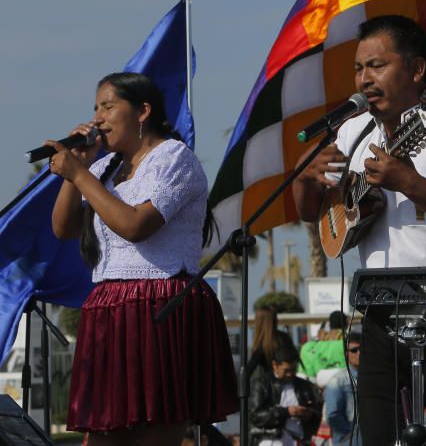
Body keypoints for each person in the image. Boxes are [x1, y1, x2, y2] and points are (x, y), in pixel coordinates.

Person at [292, 15, 426, 446]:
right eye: (359, 68)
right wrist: (304, 180)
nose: (365, 79)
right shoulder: (353, 130)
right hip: (380, 310)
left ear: (417, 70)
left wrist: (408, 181)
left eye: (377, 66)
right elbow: (314, 213)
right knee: (378, 437)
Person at [49, 72, 238, 445]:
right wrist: (78, 172)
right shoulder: (104, 169)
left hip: (161, 304)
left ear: (142, 112)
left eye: (108, 106)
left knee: (153, 429)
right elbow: (64, 227)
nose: (98, 118)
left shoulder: (172, 158)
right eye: (95, 109)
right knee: (103, 434)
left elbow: (136, 225)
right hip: (111, 308)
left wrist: (80, 175)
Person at [249, 346, 321, 446]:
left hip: (299, 440)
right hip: (270, 439)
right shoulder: (261, 384)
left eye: (293, 370)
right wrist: (286, 412)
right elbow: (255, 416)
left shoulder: (304, 386)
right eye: (286, 370)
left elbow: (317, 413)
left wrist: (309, 414)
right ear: (275, 365)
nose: (290, 374)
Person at [324, 332, 362, 445]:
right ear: (346, 354)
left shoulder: (373, 378)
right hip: (347, 441)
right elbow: (332, 416)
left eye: (361, 349)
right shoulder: (337, 381)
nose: (359, 353)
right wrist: (352, 433)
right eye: (354, 350)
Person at [248, 306, 298, 382]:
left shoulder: (263, 344)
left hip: (269, 386)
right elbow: (295, 357)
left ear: (259, 322)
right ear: (275, 320)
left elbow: (249, 369)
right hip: (289, 383)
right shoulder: (285, 337)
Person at [299, 311, 348, 385]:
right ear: (346, 324)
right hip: (344, 377)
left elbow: (311, 367)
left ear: (330, 325)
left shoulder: (315, 344)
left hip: (320, 378)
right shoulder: (349, 340)